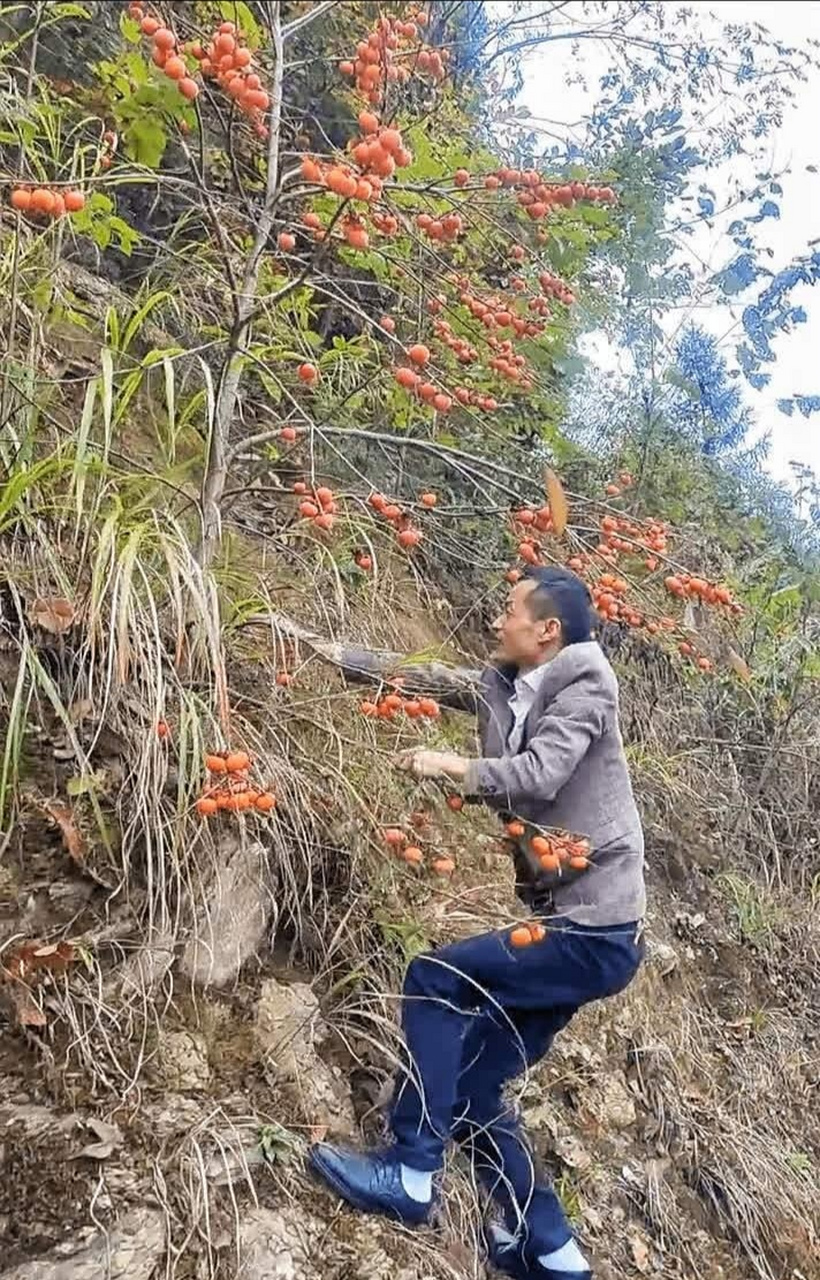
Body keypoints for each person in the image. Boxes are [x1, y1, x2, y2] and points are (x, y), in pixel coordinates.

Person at [310, 566, 646, 1279]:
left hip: (595, 930)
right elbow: (423, 679)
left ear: (546, 629)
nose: (498, 621)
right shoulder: (504, 683)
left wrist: (453, 766)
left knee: (434, 977)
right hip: (573, 928)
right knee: (470, 1089)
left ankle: (409, 1172)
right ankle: (550, 1251)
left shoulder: (588, 686)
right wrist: (322, 651)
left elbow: (542, 773)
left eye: (510, 610)